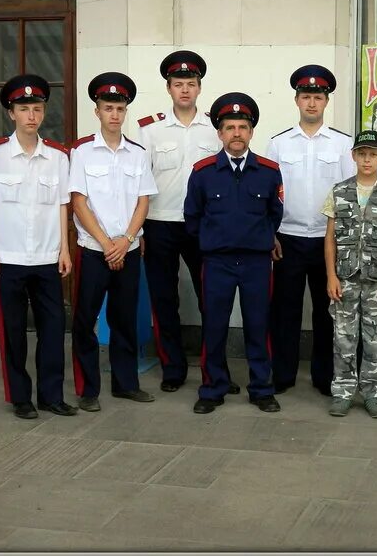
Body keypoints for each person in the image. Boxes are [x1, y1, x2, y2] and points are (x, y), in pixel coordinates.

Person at [136, 50, 240, 396]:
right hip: (159, 223)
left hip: (204, 226)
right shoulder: (149, 131)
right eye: (178, 84)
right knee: (164, 300)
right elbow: (138, 183)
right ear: (168, 89)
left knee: (213, 299)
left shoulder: (216, 128)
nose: (184, 90)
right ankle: (173, 368)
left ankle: (216, 370)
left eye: (190, 84)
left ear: (199, 88)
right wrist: (138, 231)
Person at [0, 74, 76, 419]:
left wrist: (64, 249)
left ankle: (51, 395)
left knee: (52, 329)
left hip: (47, 257)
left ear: (43, 113)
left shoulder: (59, 158)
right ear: (11, 113)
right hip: (9, 258)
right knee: (14, 331)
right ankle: (20, 397)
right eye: (24, 108)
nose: (31, 115)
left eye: (37, 108)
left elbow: (63, 205)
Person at [184, 92, 284, 415]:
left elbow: (275, 213)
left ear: (252, 132)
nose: (236, 133)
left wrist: (261, 239)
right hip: (217, 263)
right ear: (219, 133)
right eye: (229, 127)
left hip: (256, 262)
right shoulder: (202, 173)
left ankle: (261, 388)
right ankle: (212, 388)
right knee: (214, 326)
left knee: (258, 325)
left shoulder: (269, 172)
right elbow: (192, 217)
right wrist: (215, 242)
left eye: (242, 127)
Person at [69, 72, 159, 412]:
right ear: (97, 111)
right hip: (94, 251)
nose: (115, 115)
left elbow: (143, 201)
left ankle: (125, 384)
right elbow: (79, 201)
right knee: (85, 320)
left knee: (124, 319)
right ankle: (88, 388)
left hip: (129, 249)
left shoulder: (136, 153)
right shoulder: (81, 151)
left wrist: (126, 239)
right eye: (108, 108)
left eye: (120, 108)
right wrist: (108, 244)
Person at [265, 65, 354, 396]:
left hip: (326, 241)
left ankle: (324, 375)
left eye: (318, 97)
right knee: (284, 311)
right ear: (296, 100)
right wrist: (271, 233)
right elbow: (269, 193)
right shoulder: (279, 144)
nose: (312, 103)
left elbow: (349, 193)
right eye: (306, 97)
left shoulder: (342, 144)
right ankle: (282, 373)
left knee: (327, 311)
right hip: (287, 238)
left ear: (326, 101)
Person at [322, 130, 377, 418]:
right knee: (343, 338)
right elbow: (330, 238)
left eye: (373, 154)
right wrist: (331, 277)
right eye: (362, 154)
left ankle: (373, 393)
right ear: (353, 156)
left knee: (374, 340)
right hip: (345, 278)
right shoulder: (339, 192)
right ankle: (343, 392)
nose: (367, 159)